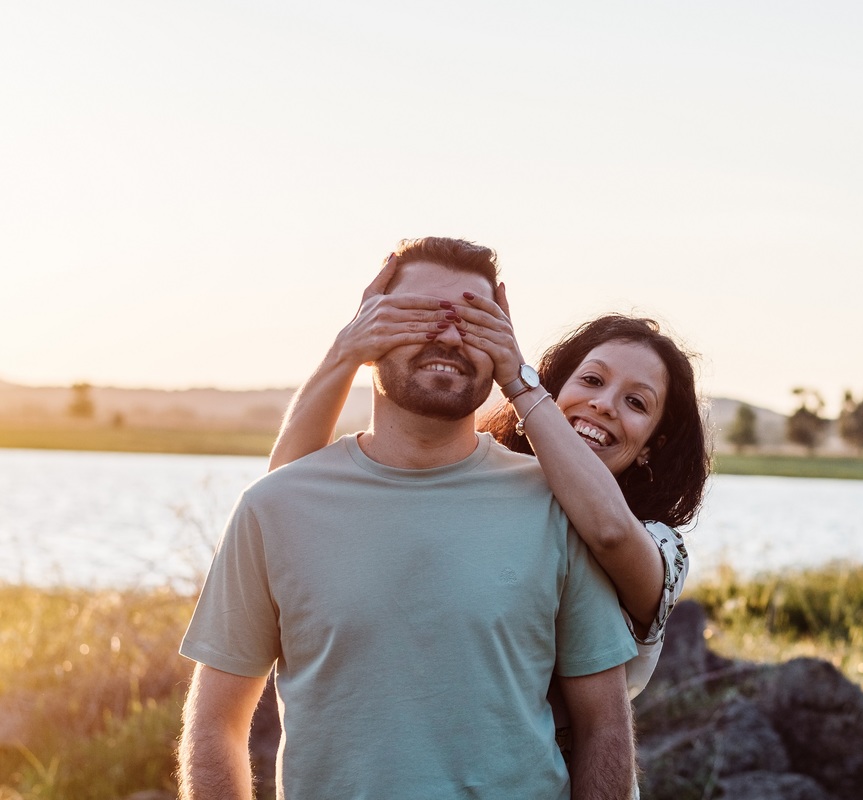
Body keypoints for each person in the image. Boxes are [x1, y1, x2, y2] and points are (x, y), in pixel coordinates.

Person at [178, 237, 639, 799]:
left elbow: (606, 726)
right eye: (417, 316)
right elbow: (215, 724)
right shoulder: (273, 505)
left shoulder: (554, 505)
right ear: (369, 333)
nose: (448, 335)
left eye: (473, 322)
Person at [269, 250, 710, 712]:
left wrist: (517, 379)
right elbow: (285, 495)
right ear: (555, 391)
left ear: (650, 449)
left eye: (636, 403)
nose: (603, 404)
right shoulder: (489, 486)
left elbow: (609, 532)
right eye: (592, 380)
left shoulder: (661, 549)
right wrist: (347, 350)